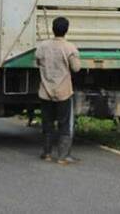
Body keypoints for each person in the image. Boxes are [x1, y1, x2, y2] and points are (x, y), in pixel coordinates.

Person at [35, 16, 81, 165]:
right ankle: (63, 156)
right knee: (64, 124)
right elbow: (76, 68)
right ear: (66, 30)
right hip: (63, 92)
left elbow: (37, 62)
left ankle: (47, 153)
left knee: (47, 123)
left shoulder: (42, 46)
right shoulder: (69, 48)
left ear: (52, 29)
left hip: (45, 91)